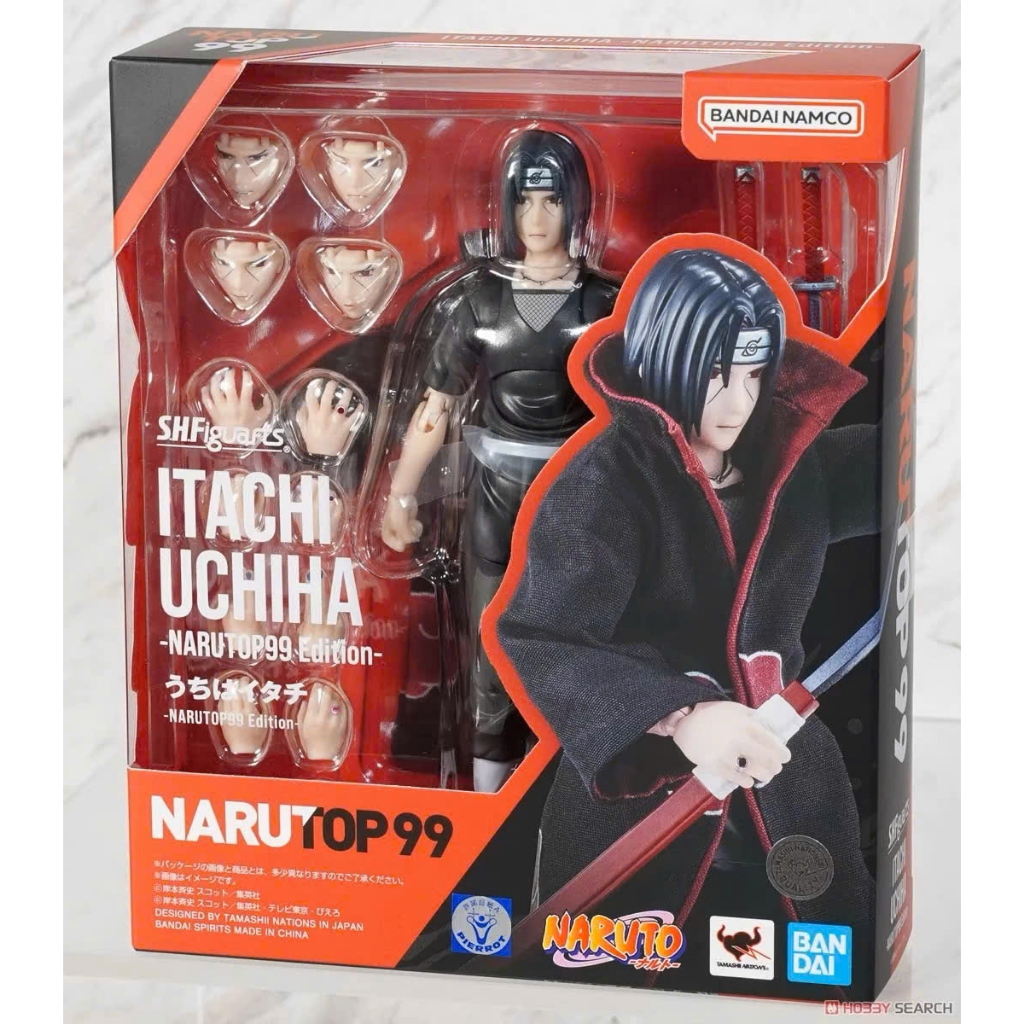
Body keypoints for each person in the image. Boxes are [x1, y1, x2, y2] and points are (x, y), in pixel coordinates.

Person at [496, 246, 879, 990]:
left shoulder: (789, 469)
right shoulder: (608, 482)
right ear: (668, 358)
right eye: (715, 375)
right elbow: (545, 635)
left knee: (823, 955)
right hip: (646, 800)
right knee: (614, 969)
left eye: (754, 376)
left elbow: (894, 467)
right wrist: (680, 715)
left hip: (785, 785)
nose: (737, 403)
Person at [380, 129, 619, 792]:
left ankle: (563, 792)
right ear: (507, 207)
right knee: (490, 652)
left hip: (577, 496)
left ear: (575, 206)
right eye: (524, 201)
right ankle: (489, 801)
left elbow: (643, 416)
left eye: (551, 201)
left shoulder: (606, 306)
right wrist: (401, 492)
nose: (536, 218)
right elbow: (433, 408)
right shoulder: (479, 301)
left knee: (574, 646)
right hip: (496, 493)